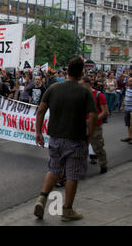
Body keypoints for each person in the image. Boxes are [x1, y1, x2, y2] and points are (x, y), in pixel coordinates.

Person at [34, 57, 97, 222]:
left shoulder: (53, 88)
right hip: (75, 139)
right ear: (81, 73)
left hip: (55, 137)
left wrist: (38, 132)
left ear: (67, 71)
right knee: (72, 174)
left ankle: (42, 198)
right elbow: (92, 116)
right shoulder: (85, 92)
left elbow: (40, 111)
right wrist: (89, 137)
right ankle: (67, 209)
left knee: (54, 169)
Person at [82, 76, 108, 174]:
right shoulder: (81, 95)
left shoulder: (98, 95)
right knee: (81, 148)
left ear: (88, 84)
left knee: (98, 147)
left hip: (95, 126)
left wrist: (93, 120)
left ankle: (103, 165)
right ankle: (81, 168)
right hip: (82, 126)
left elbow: (105, 112)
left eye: (82, 84)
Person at [120, 76, 132, 144]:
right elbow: (125, 97)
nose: (130, 82)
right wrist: (122, 105)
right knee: (128, 124)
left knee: (131, 124)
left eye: (131, 81)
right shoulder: (127, 89)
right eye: (129, 81)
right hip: (127, 108)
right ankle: (129, 136)